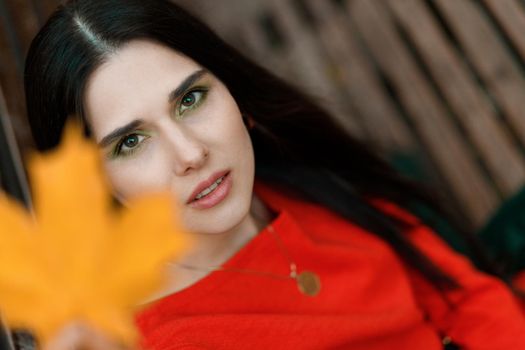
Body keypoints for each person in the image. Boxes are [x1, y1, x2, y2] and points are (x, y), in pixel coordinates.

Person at [23, 0, 525, 349]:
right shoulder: (169, 339)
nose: (190, 153)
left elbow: (454, 287)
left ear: (234, 93)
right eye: (131, 142)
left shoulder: (291, 178)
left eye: (190, 99)